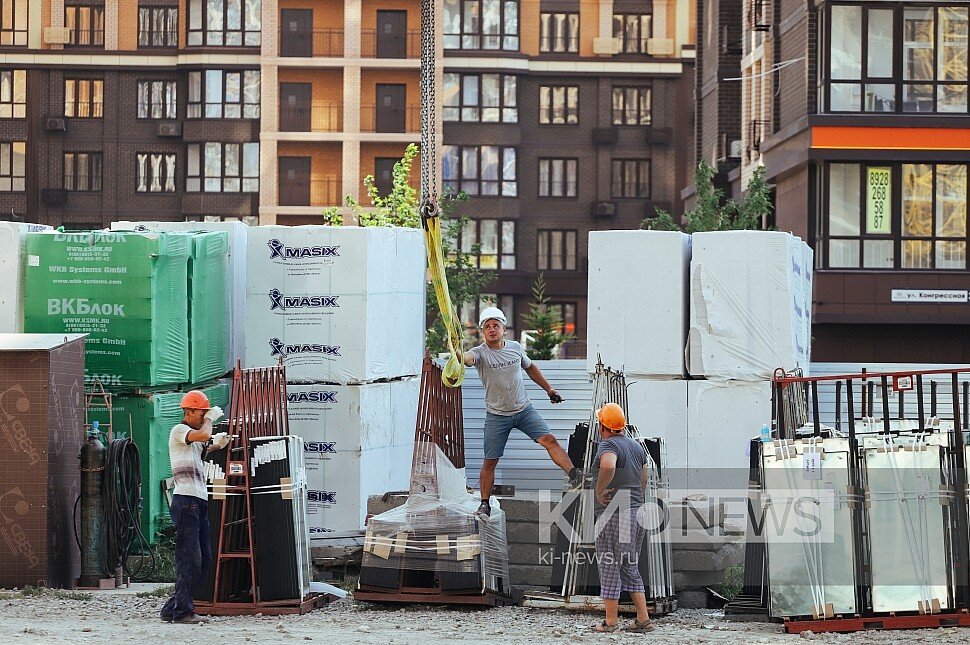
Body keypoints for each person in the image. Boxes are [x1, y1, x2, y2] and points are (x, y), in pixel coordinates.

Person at [463, 306, 582, 517]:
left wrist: (549, 389)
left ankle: (575, 475)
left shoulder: (516, 348)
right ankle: (484, 503)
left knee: (549, 439)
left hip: (524, 410)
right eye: (487, 327)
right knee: (490, 460)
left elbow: (531, 368)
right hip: (497, 415)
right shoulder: (480, 353)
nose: (492, 330)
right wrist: (458, 354)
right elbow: (468, 359)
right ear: (483, 332)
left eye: (495, 326)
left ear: (504, 329)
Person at [160, 390, 230, 624]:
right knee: (190, 558)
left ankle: (173, 607)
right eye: (201, 413)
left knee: (204, 558)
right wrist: (210, 420)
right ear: (189, 412)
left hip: (199, 501)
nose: (203, 417)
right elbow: (202, 435)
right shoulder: (179, 430)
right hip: (186, 501)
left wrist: (216, 446)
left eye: (204, 414)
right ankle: (182, 611)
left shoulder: (193, 438)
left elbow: (201, 448)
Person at [591, 402, 654, 633]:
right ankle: (643, 619)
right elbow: (644, 477)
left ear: (602, 426)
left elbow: (608, 466)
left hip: (614, 515)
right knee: (629, 565)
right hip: (637, 512)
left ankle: (611, 621)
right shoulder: (636, 447)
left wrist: (599, 491)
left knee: (608, 564)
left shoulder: (608, 444)